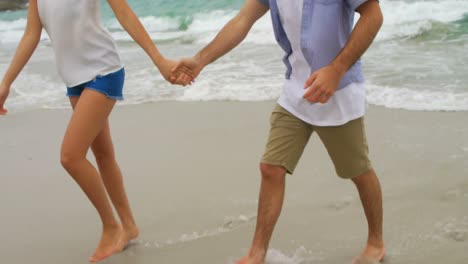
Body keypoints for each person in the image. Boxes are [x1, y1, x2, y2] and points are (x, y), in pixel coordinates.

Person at [171, 0, 384, 263]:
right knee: (271, 168)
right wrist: (200, 60)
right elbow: (242, 21)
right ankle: (257, 253)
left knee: (359, 171)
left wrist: (337, 70)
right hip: (296, 90)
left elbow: (373, 16)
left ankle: (376, 242)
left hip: (336, 93)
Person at [0, 0, 192, 262]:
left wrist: (159, 60)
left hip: (103, 71)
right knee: (103, 154)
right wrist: (6, 83)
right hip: (73, 80)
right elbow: (31, 35)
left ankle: (111, 227)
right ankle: (129, 226)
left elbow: (124, 13)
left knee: (71, 157)